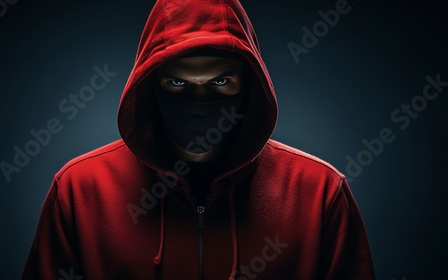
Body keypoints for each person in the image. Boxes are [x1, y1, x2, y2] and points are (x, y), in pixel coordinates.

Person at [22, 0, 375, 279]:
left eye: (220, 82)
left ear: (249, 85)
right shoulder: (81, 189)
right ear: (150, 88)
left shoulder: (318, 192)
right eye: (179, 83)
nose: (199, 101)